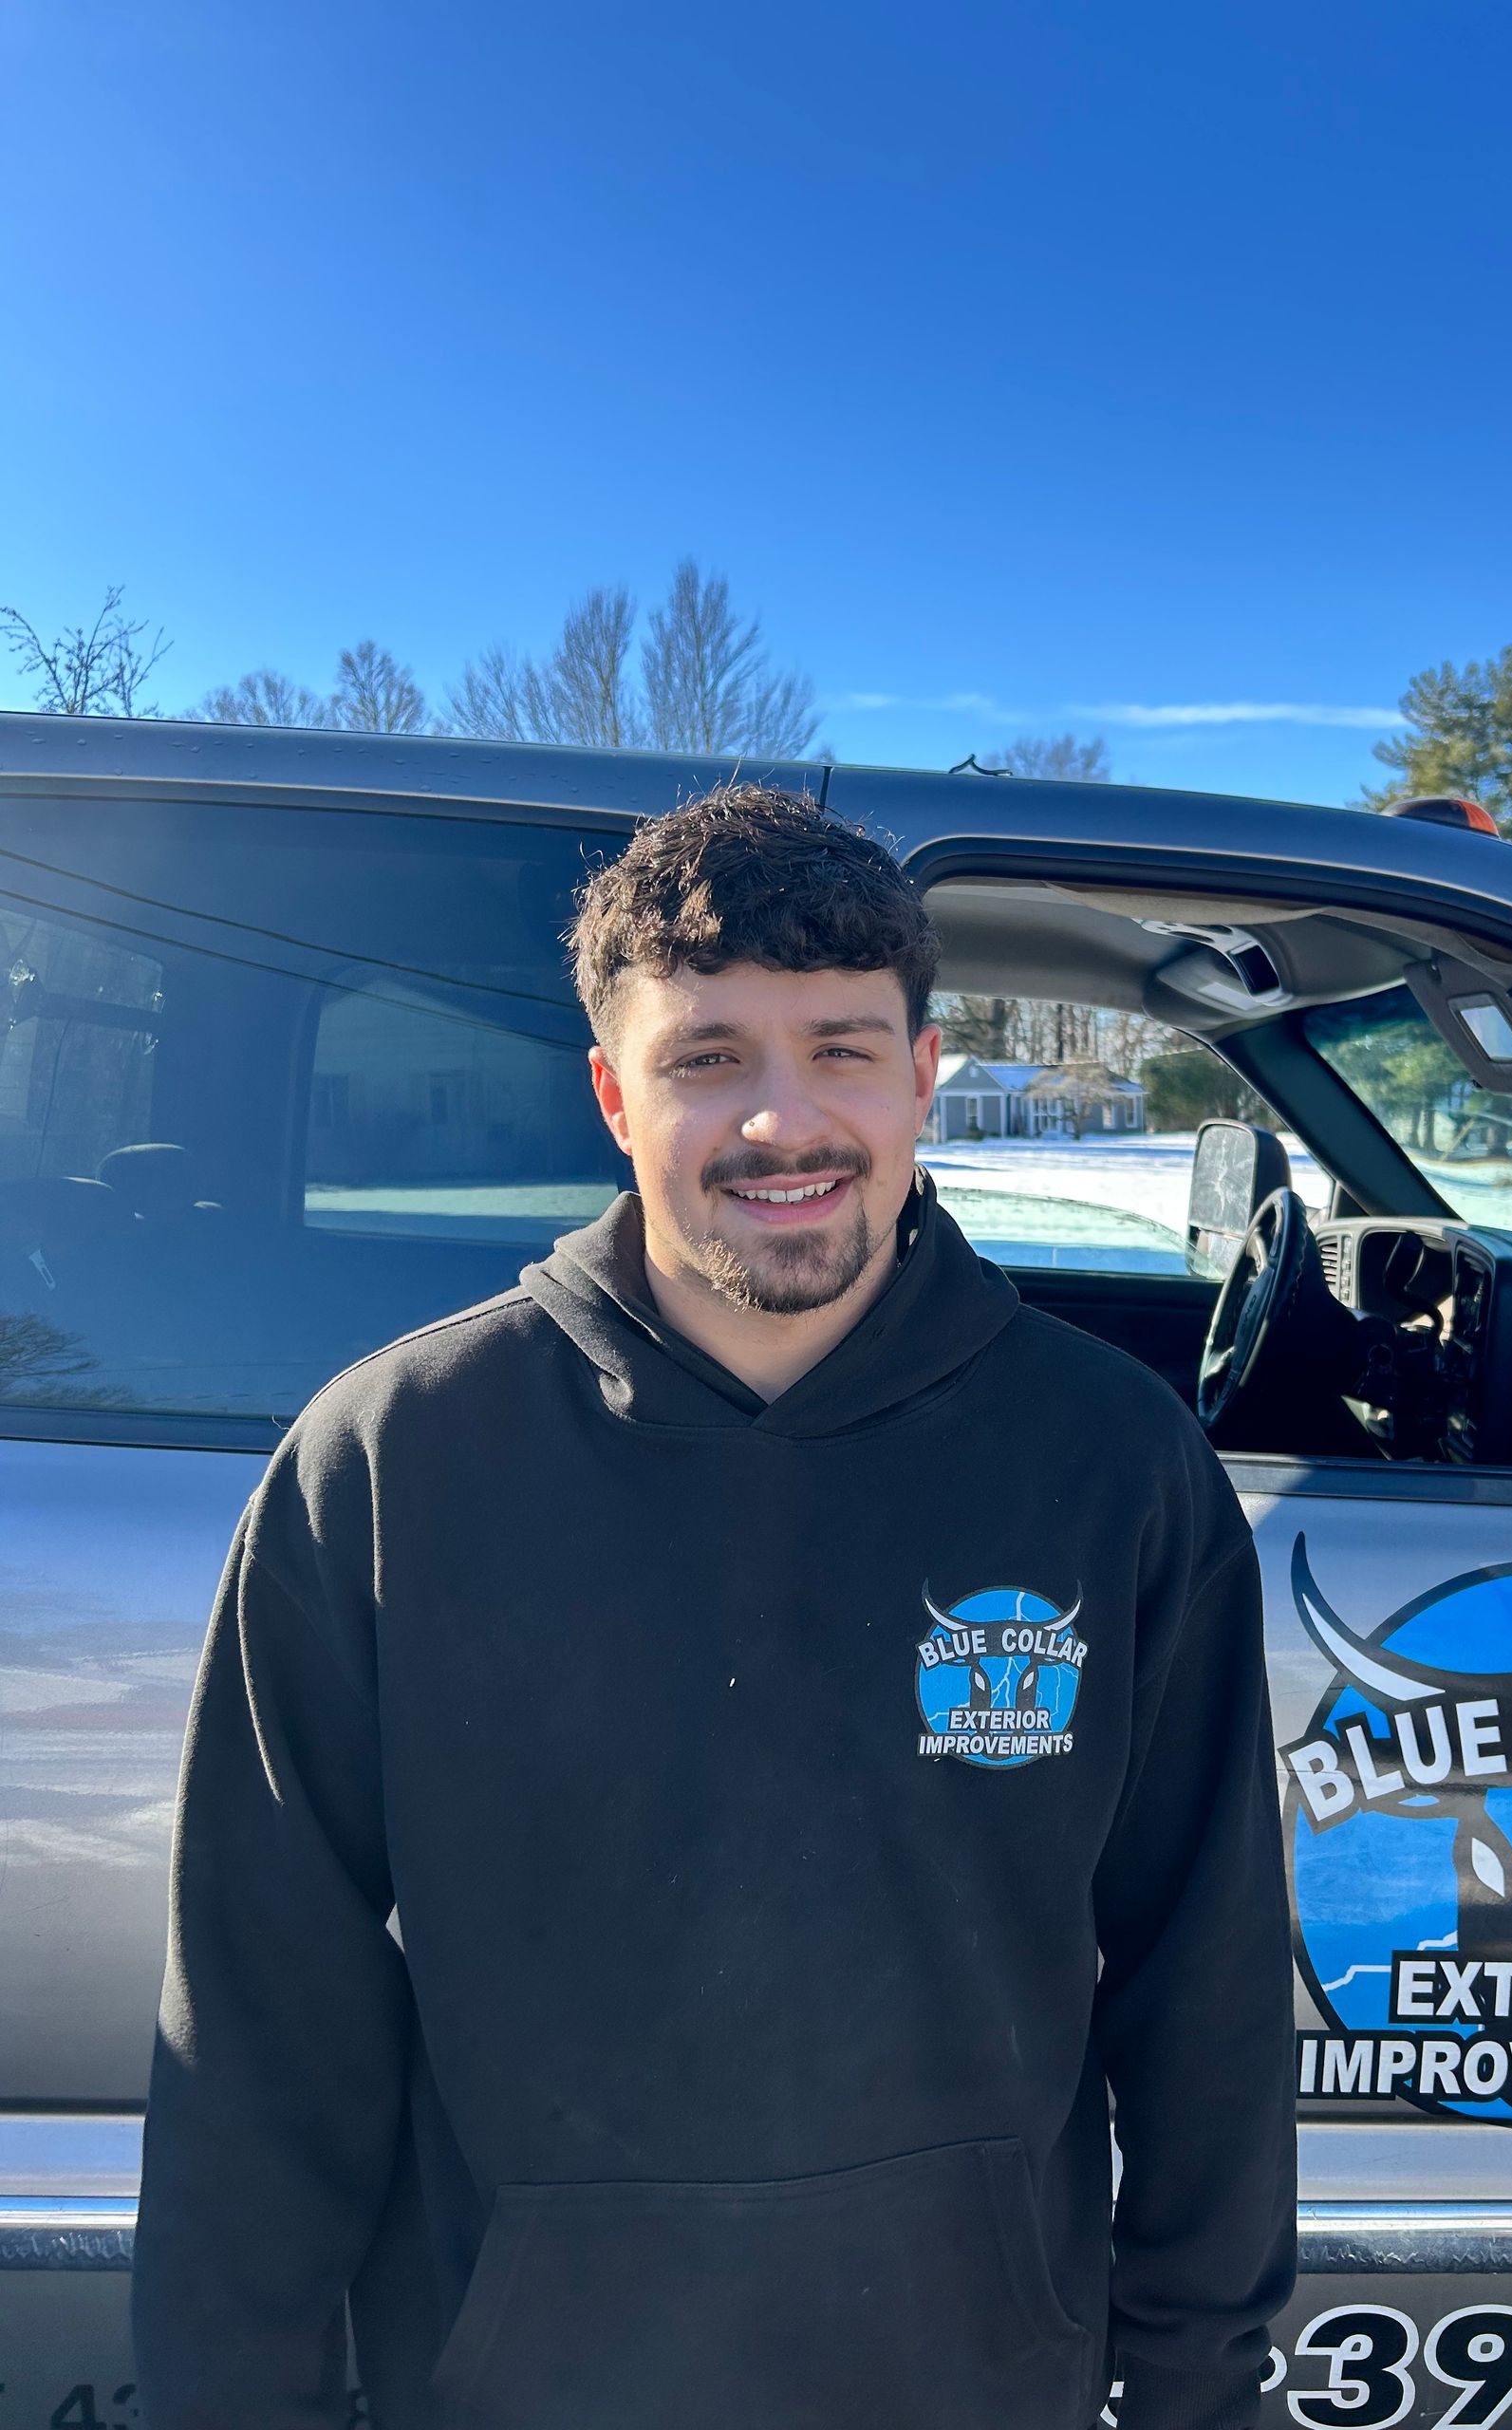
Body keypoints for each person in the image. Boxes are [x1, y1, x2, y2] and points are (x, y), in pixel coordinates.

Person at [133, 783, 1297, 2430]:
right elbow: (259, 2038)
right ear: (614, 1095)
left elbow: (1207, 1996)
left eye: (840, 1050)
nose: (781, 1122)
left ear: (924, 1078)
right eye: (708, 1059)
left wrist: (1196, 2394)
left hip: (979, 2385)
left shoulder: (1116, 1465)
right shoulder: (391, 1462)